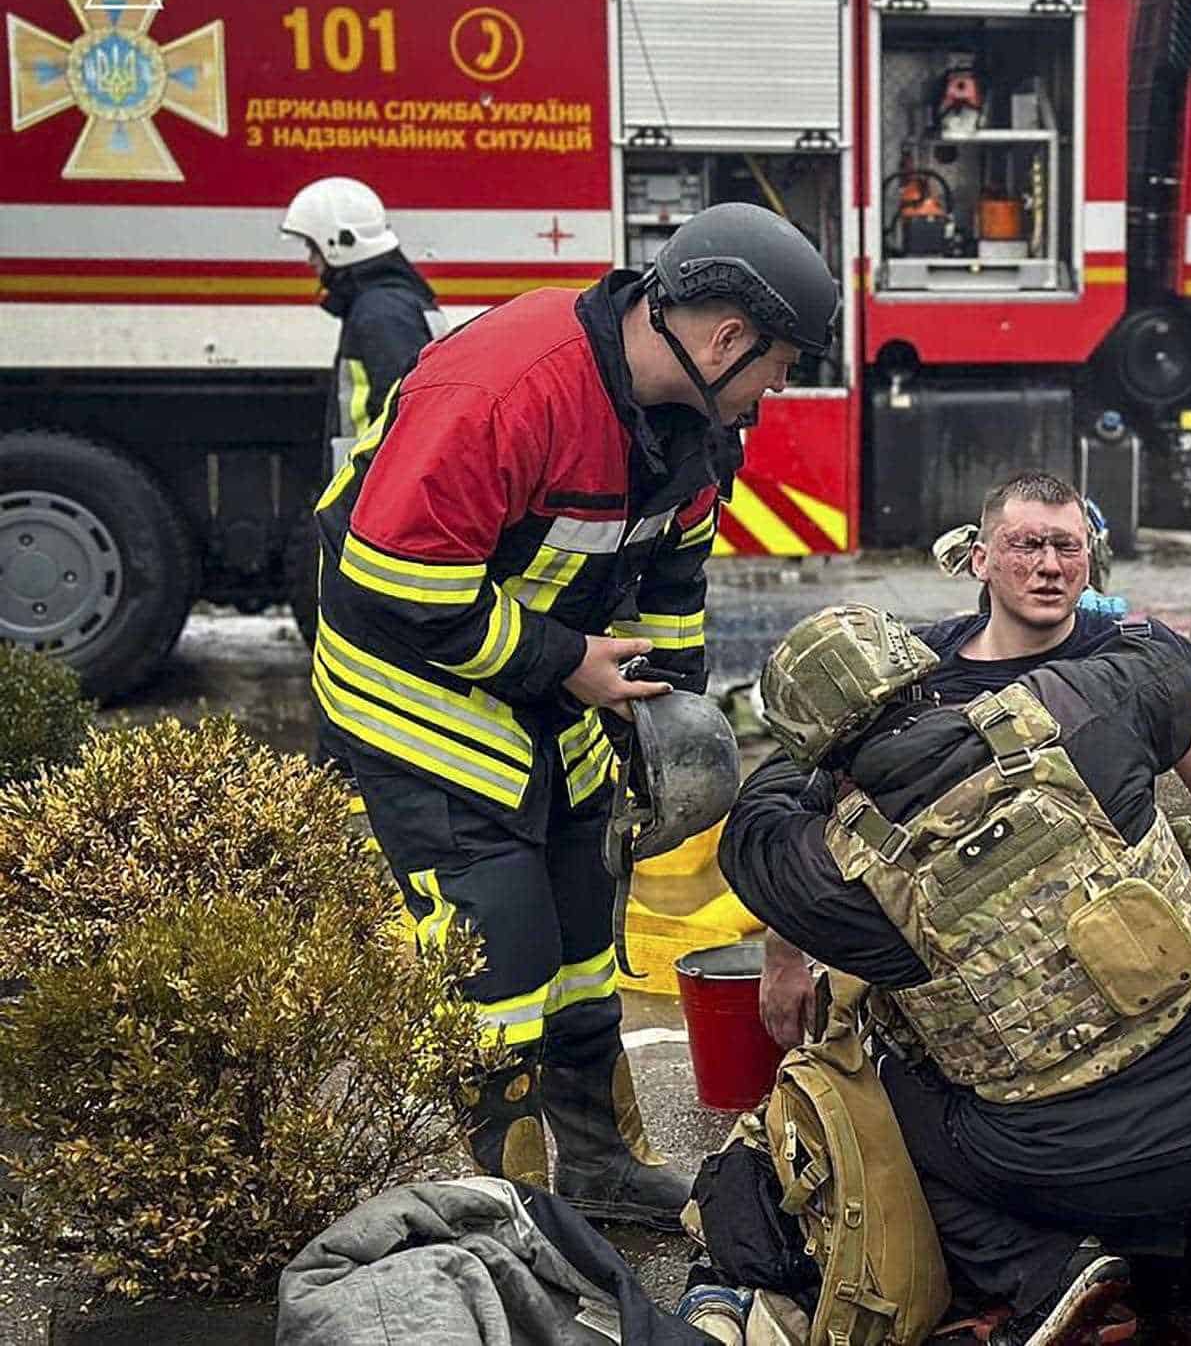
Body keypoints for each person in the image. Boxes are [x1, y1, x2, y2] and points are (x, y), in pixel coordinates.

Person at [311, 202, 839, 1226]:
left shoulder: (686, 424)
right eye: (779, 365)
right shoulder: (511, 384)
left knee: (583, 938)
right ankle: (509, 1216)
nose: (778, 391)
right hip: (415, 692)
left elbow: (675, 579)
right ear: (727, 339)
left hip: (554, 688)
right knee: (500, 955)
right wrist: (568, 665)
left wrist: (667, 715)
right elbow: (391, 579)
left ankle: (597, 1168)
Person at [724, 603, 1191, 1346]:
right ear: (921, 674)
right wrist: (954, 643)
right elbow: (1166, 655)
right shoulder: (1075, 713)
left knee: (876, 1105)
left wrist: (816, 745)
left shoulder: (831, 870)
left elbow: (752, 822)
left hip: (1054, 1176)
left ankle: (1046, 1274)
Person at [757, 471, 1191, 1049]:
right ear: (981, 561)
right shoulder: (914, 673)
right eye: (1026, 545)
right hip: (968, 985)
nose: (1050, 565)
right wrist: (783, 954)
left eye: (1067, 546)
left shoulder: (1126, 660)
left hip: (1127, 949)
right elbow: (813, 814)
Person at [280, 177, 449, 480]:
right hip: (373, 482)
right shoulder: (388, 304)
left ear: (337, 242)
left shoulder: (381, 313)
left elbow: (405, 417)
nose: (310, 261)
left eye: (312, 248)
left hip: (375, 484)